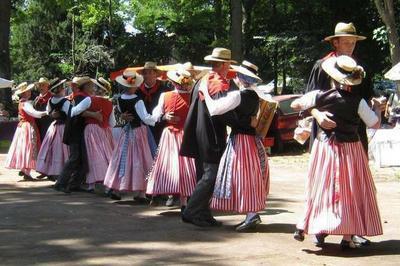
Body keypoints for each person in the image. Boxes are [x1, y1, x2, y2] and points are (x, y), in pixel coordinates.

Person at [305, 22, 385, 245]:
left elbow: (367, 98)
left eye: (353, 42)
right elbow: (308, 99)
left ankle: (352, 229)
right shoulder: (321, 66)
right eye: (346, 42)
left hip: (353, 134)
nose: (351, 46)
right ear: (335, 42)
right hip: (326, 133)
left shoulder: (360, 69)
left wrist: (376, 102)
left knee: (353, 182)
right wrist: (317, 116)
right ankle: (320, 227)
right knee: (325, 180)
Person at [180, 47, 240, 227]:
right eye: (228, 63)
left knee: (203, 174)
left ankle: (203, 213)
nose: (229, 66)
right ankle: (191, 211)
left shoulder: (203, 80)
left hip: (198, 131)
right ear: (223, 64)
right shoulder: (217, 82)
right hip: (210, 133)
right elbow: (222, 112)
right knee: (211, 175)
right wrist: (242, 123)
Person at [208, 61, 270, 231]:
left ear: (239, 77)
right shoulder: (257, 97)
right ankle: (251, 212)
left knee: (242, 175)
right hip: (251, 141)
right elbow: (254, 120)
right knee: (251, 174)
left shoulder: (237, 96)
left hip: (240, 141)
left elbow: (214, 109)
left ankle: (251, 214)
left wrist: (206, 93)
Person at [146, 68, 197, 212]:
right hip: (178, 134)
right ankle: (181, 200)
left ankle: (175, 197)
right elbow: (157, 116)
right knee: (178, 167)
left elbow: (155, 116)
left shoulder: (184, 96)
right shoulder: (184, 96)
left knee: (170, 166)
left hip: (177, 134)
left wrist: (164, 117)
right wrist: (165, 117)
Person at [103, 70, 157, 202]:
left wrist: (123, 117)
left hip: (126, 132)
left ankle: (116, 188)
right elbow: (144, 117)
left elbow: (121, 114)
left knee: (122, 158)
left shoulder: (120, 99)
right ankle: (141, 193)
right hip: (138, 132)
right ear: (135, 85)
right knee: (141, 159)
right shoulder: (138, 100)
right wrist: (156, 118)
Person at [69, 78, 116, 192]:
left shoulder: (89, 100)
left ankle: (91, 185)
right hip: (105, 131)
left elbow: (73, 111)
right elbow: (112, 123)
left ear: (96, 89)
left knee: (92, 156)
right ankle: (108, 184)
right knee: (106, 156)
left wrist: (87, 113)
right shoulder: (110, 103)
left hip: (91, 130)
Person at [55, 77, 101, 193]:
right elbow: (76, 111)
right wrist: (93, 114)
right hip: (75, 131)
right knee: (75, 157)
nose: (93, 88)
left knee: (82, 159)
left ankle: (75, 184)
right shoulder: (83, 98)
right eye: (91, 86)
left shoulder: (79, 96)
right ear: (85, 87)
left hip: (77, 131)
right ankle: (61, 183)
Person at [5, 83, 47, 180]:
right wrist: (46, 112)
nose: (29, 92)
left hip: (23, 127)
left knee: (25, 148)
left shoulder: (22, 102)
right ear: (24, 93)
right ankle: (26, 171)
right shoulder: (26, 103)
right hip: (27, 127)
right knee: (29, 148)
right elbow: (34, 113)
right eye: (28, 91)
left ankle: (25, 169)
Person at [36, 79, 70, 181]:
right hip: (63, 127)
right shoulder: (65, 101)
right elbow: (70, 114)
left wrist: (53, 115)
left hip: (54, 126)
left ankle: (52, 171)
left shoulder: (50, 101)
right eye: (62, 87)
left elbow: (49, 113)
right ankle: (62, 173)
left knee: (52, 149)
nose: (64, 89)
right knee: (63, 150)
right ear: (59, 89)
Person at [137, 61, 171, 145]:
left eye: (150, 73)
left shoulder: (165, 90)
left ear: (156, 74)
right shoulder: (137, 91)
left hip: (159, 127)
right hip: (141, 128)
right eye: (145, 73)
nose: (147, 75)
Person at [33, 77, 53, 143]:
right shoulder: (36, 99)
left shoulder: (52, 97)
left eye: (43, 85)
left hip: (49, 123)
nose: (41, 87)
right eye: (40, 85)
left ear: (47, 86)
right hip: (38, 125)